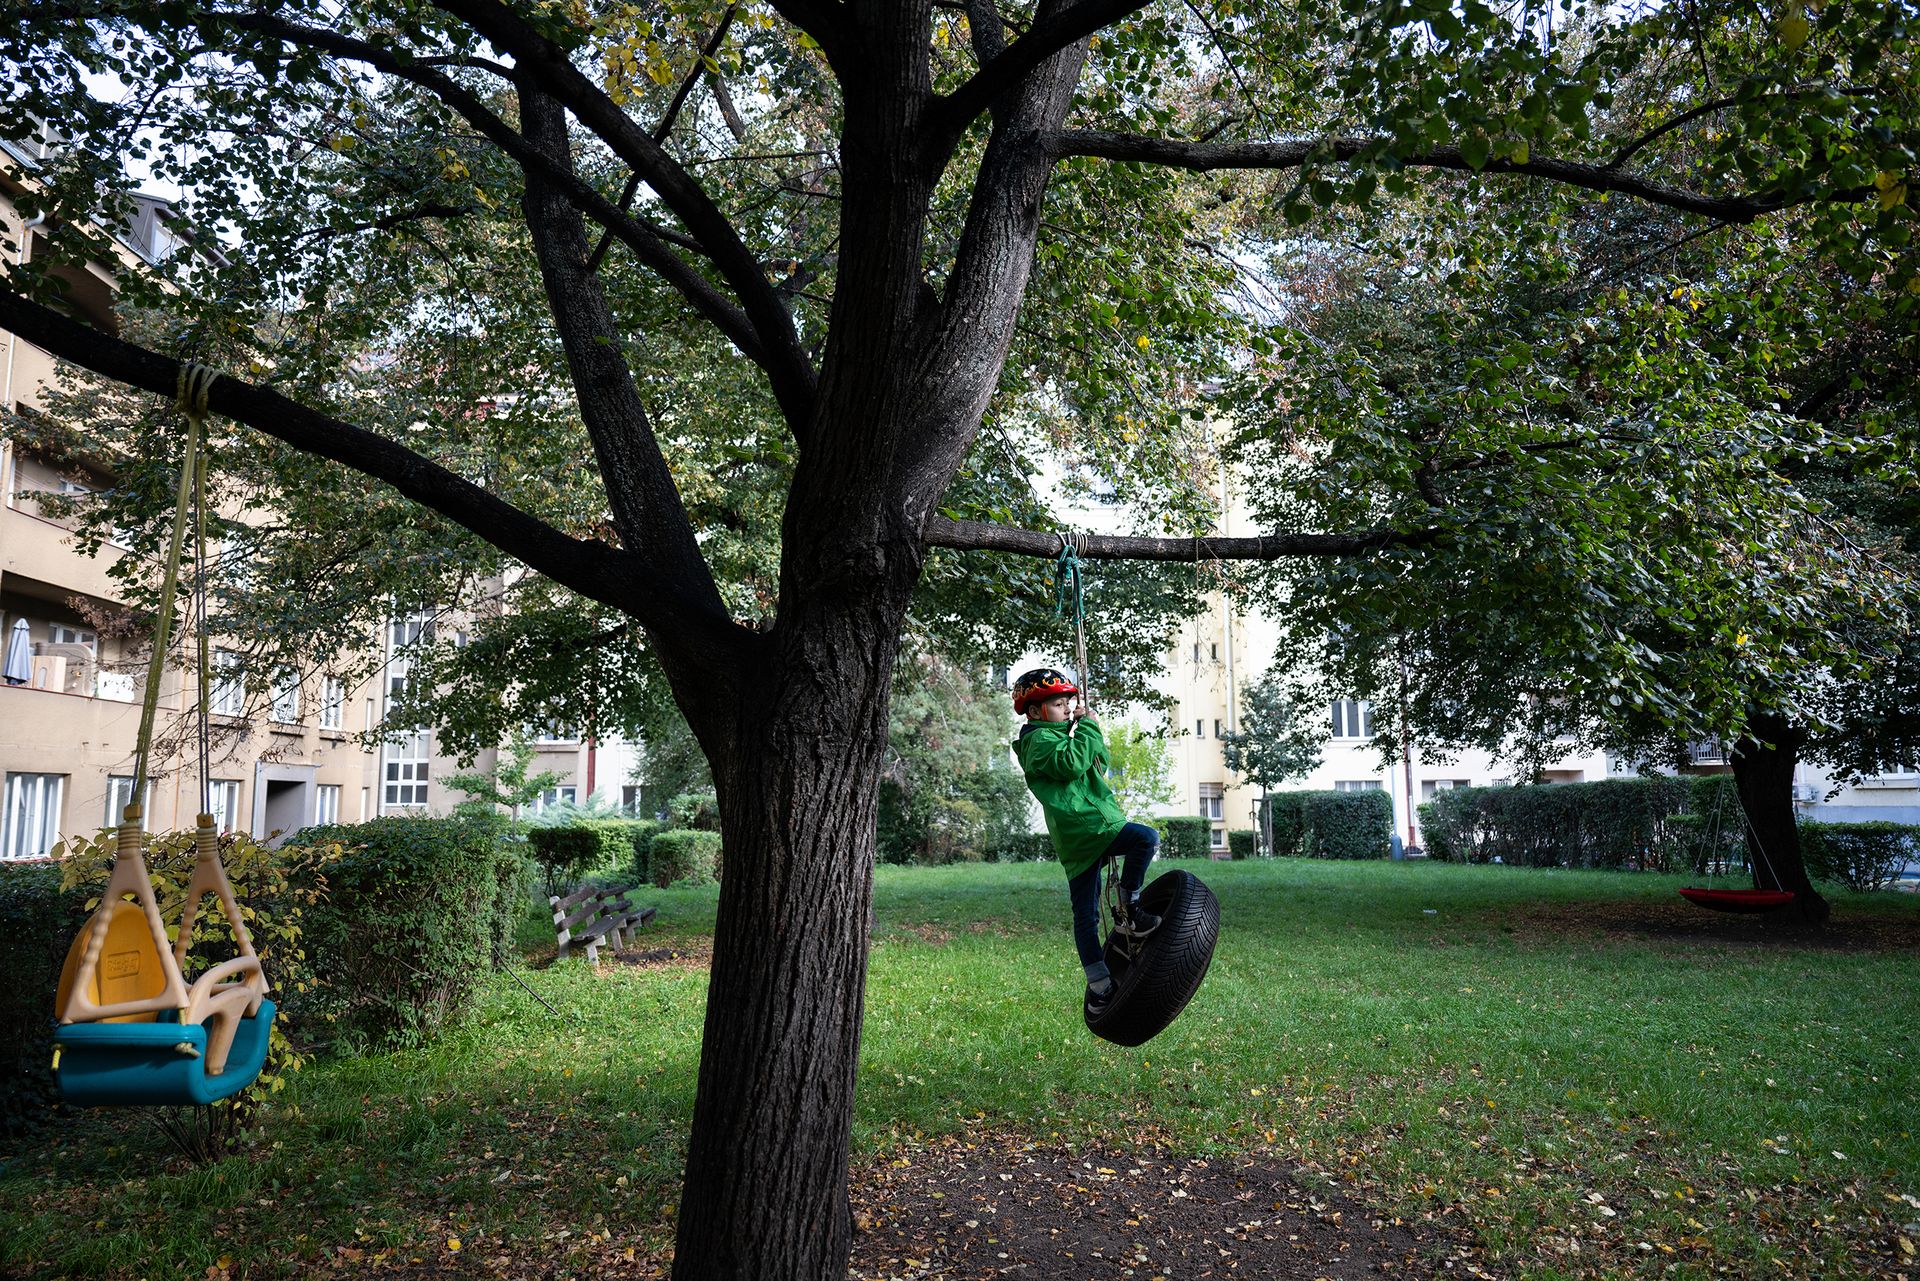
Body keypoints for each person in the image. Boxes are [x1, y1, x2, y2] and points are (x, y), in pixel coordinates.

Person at [1010, 667, 1162, 1020]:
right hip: (1084, 832)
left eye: (1068, 703)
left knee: (1144, 840)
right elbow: (1071, 763)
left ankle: (1130, 908)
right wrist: (1088, 728)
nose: (1066, 709)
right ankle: (1099, 983)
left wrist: (1090, 729)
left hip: (1098, 823)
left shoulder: (1069, 732)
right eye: (1058, 704)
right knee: (1086, 913)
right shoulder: (1036, 744)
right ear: (1034, 712)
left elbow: (1097, 763)